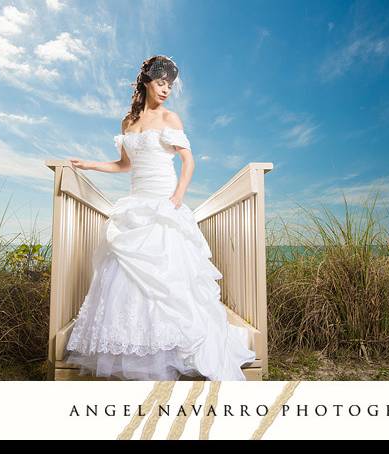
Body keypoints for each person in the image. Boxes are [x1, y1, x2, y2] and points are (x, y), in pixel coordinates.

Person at [64, 55, 256, 380]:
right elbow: (124, 165)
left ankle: (175, 347)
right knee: (125, 277)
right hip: (136, 203)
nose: (166, 89)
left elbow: (189, 161)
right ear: (146, 82)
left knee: (169, 277)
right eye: (160, 82)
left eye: (170, 84)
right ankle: (137, 347)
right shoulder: (128, 122)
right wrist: (90, 165)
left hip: (164, 202)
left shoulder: (171, 119)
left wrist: (179, 195)